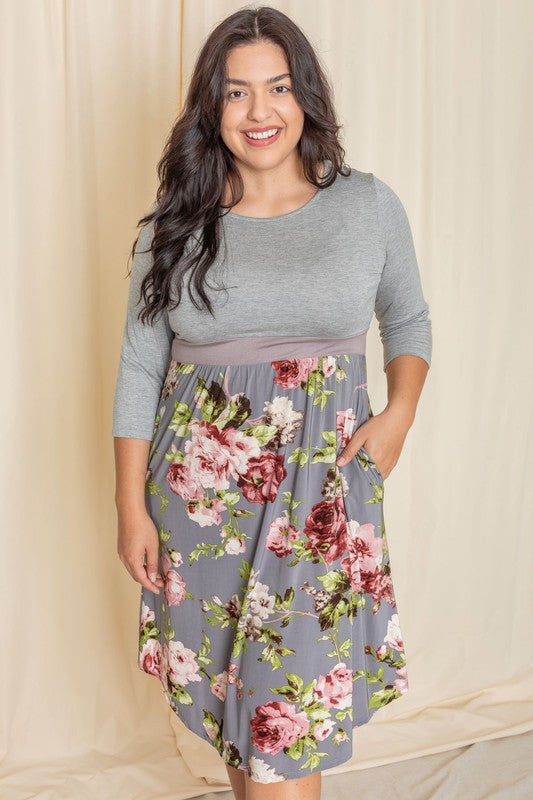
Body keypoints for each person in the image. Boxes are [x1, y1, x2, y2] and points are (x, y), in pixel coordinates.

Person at [112, 6, 432, 799]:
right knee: (240, 709)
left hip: (324, 492)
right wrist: (130, 507)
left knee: (284, 725)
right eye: (235, 92)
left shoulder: (365, 205)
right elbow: (137, 368)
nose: (260, 111)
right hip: (199, 500)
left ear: (305, 96)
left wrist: (400, 412)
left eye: (278, 87)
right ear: (210, 109)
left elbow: (409, 319)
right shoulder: (173, 224)